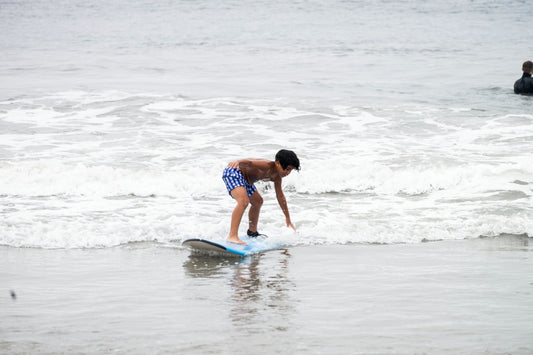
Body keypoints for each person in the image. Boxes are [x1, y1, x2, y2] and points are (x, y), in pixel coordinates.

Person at [221, 149, 300, 245]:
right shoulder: (266, 166)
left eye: (290, 170)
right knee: (243, 201)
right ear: (278, 163)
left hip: (246, 181)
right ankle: (232, 236)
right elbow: (250, 162)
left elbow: (280, 196)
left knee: (258, 202)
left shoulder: (277, 178)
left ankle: (252, 232)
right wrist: (238, 161)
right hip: (234, 172)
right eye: (287, 169)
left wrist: (287, 217)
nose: (287, 173)